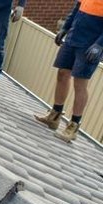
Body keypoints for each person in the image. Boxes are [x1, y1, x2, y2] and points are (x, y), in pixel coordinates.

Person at [35, 0, 103, 142]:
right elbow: (77, 7)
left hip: (90, 44)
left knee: (80, 83)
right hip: (74, 36)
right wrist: (65, 28)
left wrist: (99, 44)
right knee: (62, 73)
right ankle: (55, 115)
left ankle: (73, 125)